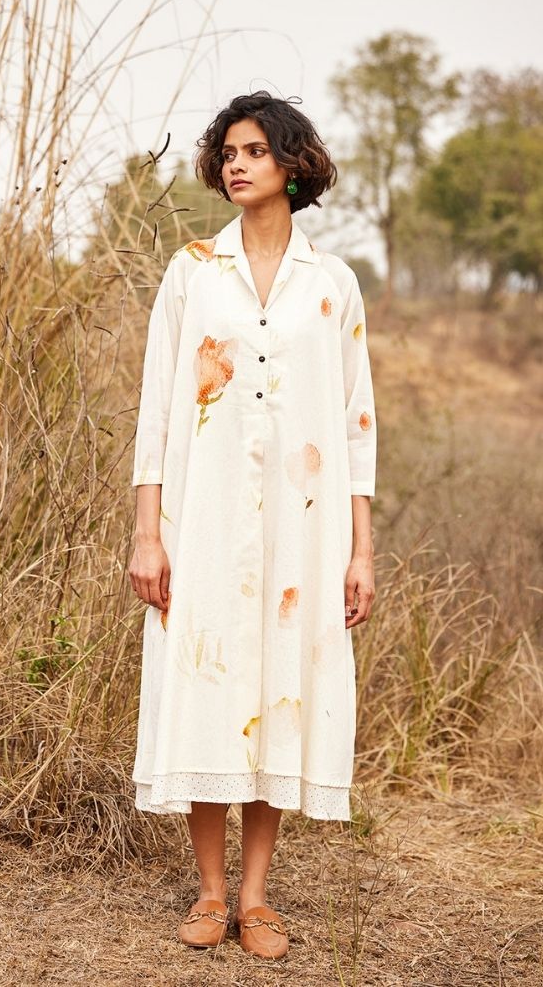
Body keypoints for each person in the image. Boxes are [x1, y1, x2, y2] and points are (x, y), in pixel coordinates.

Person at [127, 90, 377, 960]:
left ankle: (258, 897)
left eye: (254, 151)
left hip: (304, 534)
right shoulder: (192, 270)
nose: (236, 163)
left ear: (292, 163)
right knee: (207, 676)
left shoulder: (332, 283)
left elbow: (356, 422)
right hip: (206, 518)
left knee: (279, 684)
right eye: (227, 151)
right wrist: (146, 531)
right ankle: (206, 892)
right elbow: (157, 407)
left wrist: (360, 550)